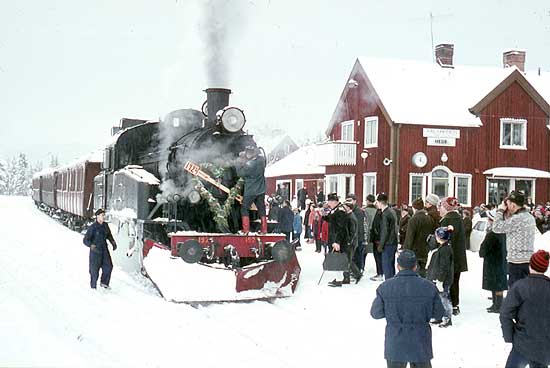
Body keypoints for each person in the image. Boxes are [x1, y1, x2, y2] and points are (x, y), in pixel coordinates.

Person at [371, 250, 445, 368]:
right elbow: (439, 313)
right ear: (415, 266)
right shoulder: (429, 287)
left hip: (395, 342)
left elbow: (376, 313)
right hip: (420, 341)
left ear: (398, 266)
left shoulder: (385, 287)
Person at [500, 250, 550, 368]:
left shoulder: (520, 287)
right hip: (544, 347)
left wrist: (509, 336)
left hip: (522, 345)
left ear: (530, 266)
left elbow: (505, 313)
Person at [492, 190, 536, 288]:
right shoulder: (529, 217)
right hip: (528, 261)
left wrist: (500, 210)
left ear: (512, 205)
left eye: (508, 204)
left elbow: (496, 227)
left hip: (517, 263)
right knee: (525, 294)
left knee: (515, 295)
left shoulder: (517, 219)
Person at [439, 196, 468, 316]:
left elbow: (443, 240)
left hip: (450, 256)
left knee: (448, 282)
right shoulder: (459, 219)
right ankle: (456, 305)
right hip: (459, 256)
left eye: (441, 206)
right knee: (456, 281)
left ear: (446, 207)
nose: (440, 209)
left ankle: (450, 305)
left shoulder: (446, 221)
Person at [324, 193, 360, 286]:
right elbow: (333, 220)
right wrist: (325, 217)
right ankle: (352, 275)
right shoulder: (336, 210)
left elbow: (341, 228)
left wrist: (337, 241)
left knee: (344, 258)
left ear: (333, 202)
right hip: (340, 238)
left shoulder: (340, 211)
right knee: (345, 258)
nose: (328, 203)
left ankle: (349, 276)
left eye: (329, 201)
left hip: (342, 239)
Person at [479, 209, 507, 313]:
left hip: (492, 262)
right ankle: (496, 304)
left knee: (495, 284)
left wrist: (482, 252)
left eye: (490, 219)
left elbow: (485, 248)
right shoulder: (503, 233)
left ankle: (498, 305)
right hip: (500, 261)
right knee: (497, 283)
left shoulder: (492, 234)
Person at [426, 227, 454, 327]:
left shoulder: (445, 250)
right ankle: (439, 316)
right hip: (440, 279)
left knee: (444, 298)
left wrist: (440, 280)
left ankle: (447, 318)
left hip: (443, 280)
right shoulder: (444, 248)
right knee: (439, 298)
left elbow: (444, 266)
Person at [83, 209, 117, 289]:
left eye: (104, 215)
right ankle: (93, 286)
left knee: (108, 266)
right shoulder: (93, 227)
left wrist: (113, 242)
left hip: (104, 249)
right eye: (102, 215)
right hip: (95, 251)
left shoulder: (105, 225)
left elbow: (109, 235)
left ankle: (104, 283)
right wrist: (91, 245)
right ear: (97, 216)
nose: (104, 217)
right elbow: (85, 240)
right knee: (94, 270)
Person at [236, 146, 267, 233]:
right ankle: (264, 229)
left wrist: (239, 161)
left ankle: (246, 230)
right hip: (261, 189)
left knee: (244, 208)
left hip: (251, 191)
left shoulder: (249, 165)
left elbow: (239, 173)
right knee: (261, 209)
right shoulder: (261, 161)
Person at [403, 198, 435, 278]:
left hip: (415, 249)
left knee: (414, 271)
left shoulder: (413, 219)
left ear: (415, 208)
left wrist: (406, 250)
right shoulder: (429, 218)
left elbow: (409, 237)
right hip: (425, 249)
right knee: (423, 270)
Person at [376, 193, 399, 280]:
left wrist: (381, 245)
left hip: (387, 243)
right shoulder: (392, 211)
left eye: (377, 202)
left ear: (380, 202)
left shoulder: (385, 214)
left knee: (387, 266)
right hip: (393, 242)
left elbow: (384, 231)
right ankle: (392, 282)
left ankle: (389, 285)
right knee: (391, 265)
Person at [347, 194, 366, 273]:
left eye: (350, 200)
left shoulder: (358, 211)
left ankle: (358, 271)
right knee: (353, 256)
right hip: (353, 237)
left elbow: (357, 226)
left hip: (358, 237)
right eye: (347, 200)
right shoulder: (351, 210)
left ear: (355, 201)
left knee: (357, 255)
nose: (349, 202)